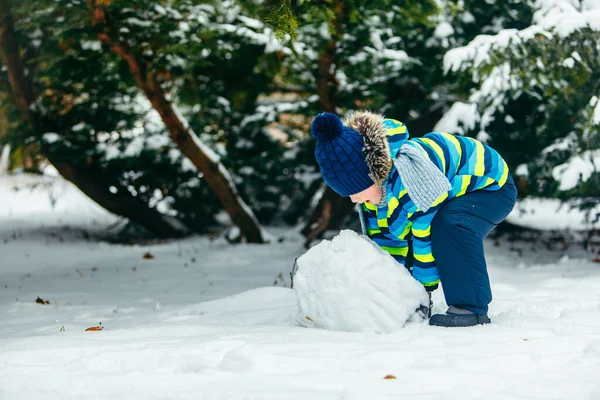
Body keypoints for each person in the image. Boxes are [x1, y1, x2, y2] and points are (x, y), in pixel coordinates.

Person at [310, 110, 517, 327]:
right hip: (449, 190)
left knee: (450, 225)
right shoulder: (374, 195)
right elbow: (388, 243)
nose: (354, 199)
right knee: (409, 228)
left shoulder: (411, 174)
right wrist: (399, 295)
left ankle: (470, 309)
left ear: (373, 175)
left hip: (490, 187)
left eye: (357, 190)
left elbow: (423, 233)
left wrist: (423, 289)